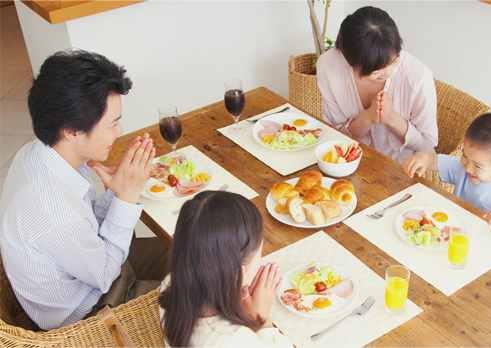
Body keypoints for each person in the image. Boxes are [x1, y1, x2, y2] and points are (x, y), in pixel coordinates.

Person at [0, 50, 169, 331]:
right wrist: (125, 198)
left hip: (90, 270)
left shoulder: (41, 153)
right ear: (71, 130)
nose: (119, 130)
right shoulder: (53, 212)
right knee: (212, 289)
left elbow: (86, 225)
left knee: (196, 249)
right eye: (112, 123)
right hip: (91, 309)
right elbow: (104, 274)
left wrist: (115, 193)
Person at [159, 191, 292, 348]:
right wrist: (263, 322)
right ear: (237, 269)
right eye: (260, 251)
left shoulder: (171, 282)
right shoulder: (235, 340)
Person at [317, 6, 438, 164]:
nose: (388, 73)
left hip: (405, 170)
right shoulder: (330, 68)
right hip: (350, 164)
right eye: (377, 71)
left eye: (394, 60)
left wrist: (391, 118)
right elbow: (336, 135)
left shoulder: (418, 77)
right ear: (346, 59)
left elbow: (427, 144)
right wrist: (367, 118)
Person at [402, 113, 491, 238]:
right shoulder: (464, 167)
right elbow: (432, 159)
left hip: (490, 246)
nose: (468, 168)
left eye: (478, 166)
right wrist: (421, 158)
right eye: (464, 156)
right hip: (456, 235)